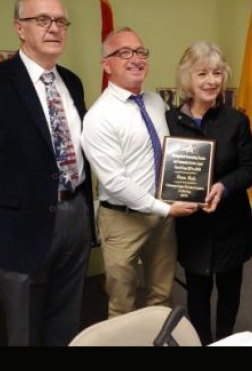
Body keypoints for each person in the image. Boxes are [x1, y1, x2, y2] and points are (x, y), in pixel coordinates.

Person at [0, 0, 96, 346]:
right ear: (19, 28)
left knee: (67, 321)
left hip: (75, 216)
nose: (54, 27)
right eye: (42, 19)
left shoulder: (72, 82)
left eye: (61, 22)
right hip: (18, 229)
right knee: (23, 332)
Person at [81, 27, 199, 319]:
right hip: (123, 220)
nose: (135, 58)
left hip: (162, 218)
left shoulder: (155, 102)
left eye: (140, 51)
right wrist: (165, 208)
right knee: (122, 302)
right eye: (124, 53)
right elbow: (115, 182)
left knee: (161, 294)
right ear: (106, 65)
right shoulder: (99, 117)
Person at [165, 40, 252, 345]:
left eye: (217, 73)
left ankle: (225, 341)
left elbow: (251, 167)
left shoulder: (236, 120)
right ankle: (203, 341)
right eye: (202, 73)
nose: (211, 81)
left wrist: (223, 185)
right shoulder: (169, 121)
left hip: (231, 223)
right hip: (192, 225)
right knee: (197, 290)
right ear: (186, 78)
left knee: (231, 291)